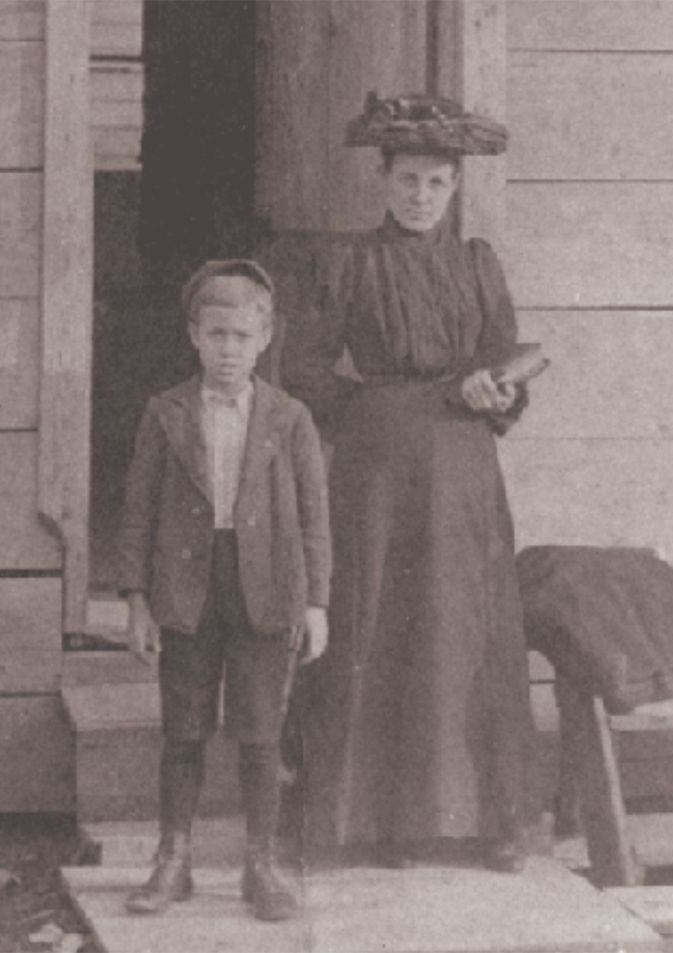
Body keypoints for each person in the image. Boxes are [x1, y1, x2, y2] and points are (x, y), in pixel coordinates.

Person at [283, 93, 532, 871]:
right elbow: (300, 370)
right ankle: (370, 821)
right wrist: (380, 405)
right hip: (380, 467)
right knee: (376, 624)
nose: (419, 196)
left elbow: (503, 360)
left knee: (462, 628)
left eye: (434, 183)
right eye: (406, 181)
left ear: (454, 187)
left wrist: (500, 391)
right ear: (382, 181)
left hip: (462, 469)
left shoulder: (476, 263)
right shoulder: (350, 263)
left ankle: (480, 820)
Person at [115, 260, 331, 922]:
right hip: (187, 587)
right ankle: (173, 858)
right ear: (193, 335)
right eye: (216, 335)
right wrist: (135, 599)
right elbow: (137, 510)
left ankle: (259, 862)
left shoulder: (288, 417)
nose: (228, 349)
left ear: (264, 337)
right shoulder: (166, 412)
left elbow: (314, 515)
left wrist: (315, 602)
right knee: (183, 728)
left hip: (265, 588)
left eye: (241, 335)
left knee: (261, 732)